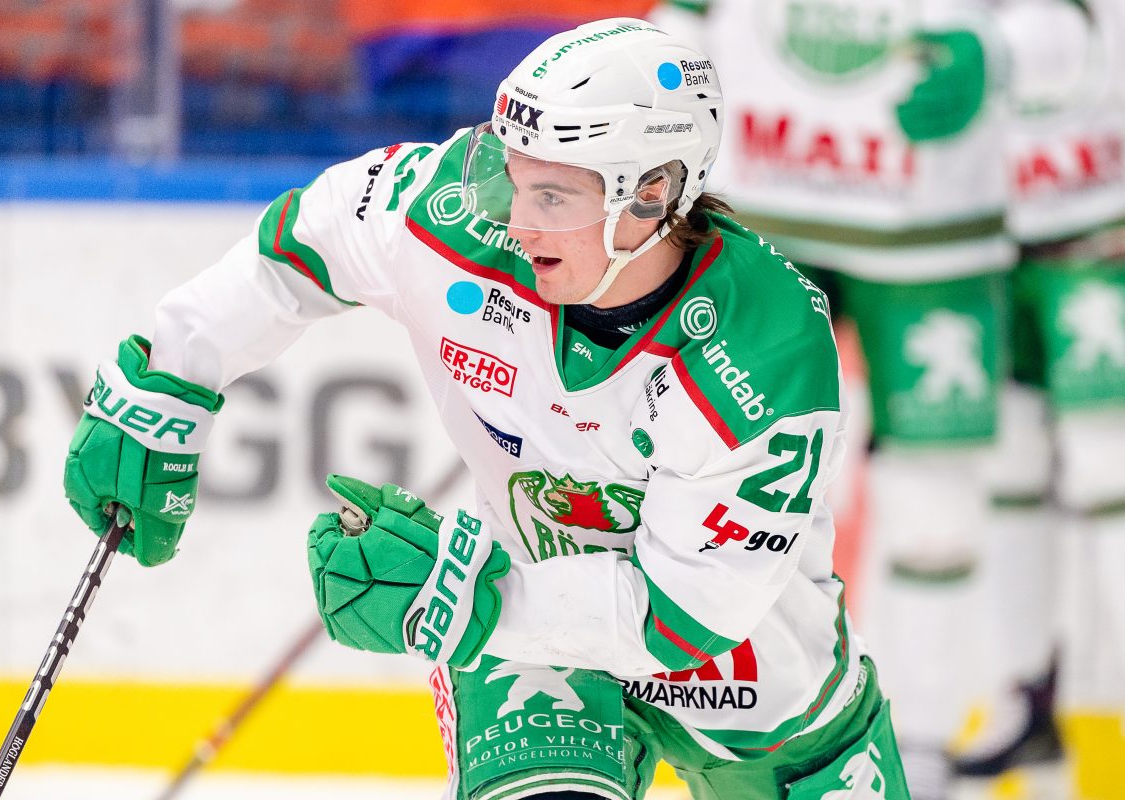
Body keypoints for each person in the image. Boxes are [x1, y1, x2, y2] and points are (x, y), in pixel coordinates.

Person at [62, 18, 910, 800]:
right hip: (528, 639)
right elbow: (304, 243)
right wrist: (169, 381)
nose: (519, 223)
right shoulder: (455, 213)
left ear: (653, 193)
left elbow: (681, 619)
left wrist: (469, 601)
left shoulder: (764, 350)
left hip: (751, 681)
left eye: (556, 198)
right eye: (513, 179)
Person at [647, 0, 1016, 796]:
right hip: (764, 211)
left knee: (934, 505)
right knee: (744, 485)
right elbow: (681, 21)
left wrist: (1014, 52)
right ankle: (753, 724)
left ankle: (920, 738)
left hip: (933, 225)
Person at [955, 0, 1125, 789]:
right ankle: (1026, 698)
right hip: (987, 233)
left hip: (1100, 217)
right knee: (1009, 471)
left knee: (1110, 468)